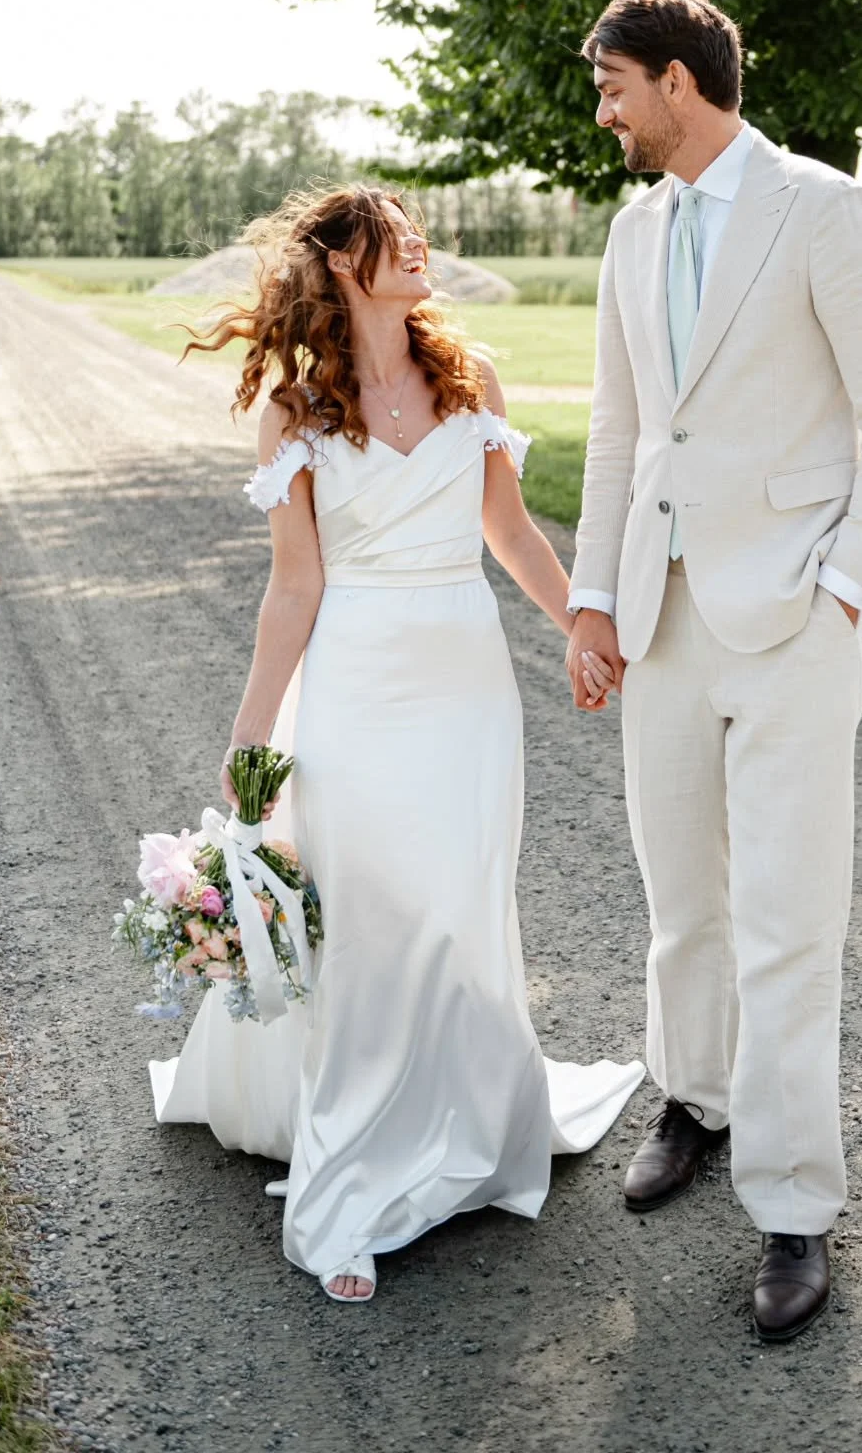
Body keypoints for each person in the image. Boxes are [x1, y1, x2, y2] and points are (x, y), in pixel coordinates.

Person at [149, 183, 643, 1302]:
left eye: (420, 232)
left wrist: (579, 625)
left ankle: (470, 1123)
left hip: (464, 680)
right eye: (393, 236)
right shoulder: (297, 411)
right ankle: (354, 1181)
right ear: (337, 264)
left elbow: (508, 531)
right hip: (358, 683)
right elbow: (294, 589)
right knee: (375, 921)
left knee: (460, 905)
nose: (420, 245)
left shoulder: (470, 380)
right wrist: (252, 732)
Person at [565, 0, 862, 1341]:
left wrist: (851, 589)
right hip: (660, 621)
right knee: (683, 903)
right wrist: (592, 600)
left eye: (614, 86)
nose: (602, 110)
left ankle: (793, 1206)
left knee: (790, 920)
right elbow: (622, 434)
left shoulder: (825, 212)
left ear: (679, 81)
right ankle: (697, 1101)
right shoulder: (632, 228)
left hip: (795, 623)